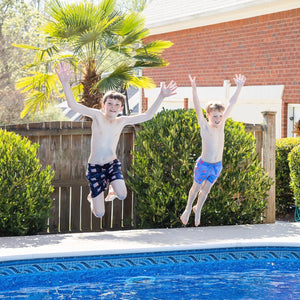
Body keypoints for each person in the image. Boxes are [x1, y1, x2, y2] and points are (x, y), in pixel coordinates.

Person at [55, 62, 177, 218]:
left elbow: (147, 116)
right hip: (95, 168)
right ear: (103, 105)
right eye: (109, 103)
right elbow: (73, 105)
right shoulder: (97, 116)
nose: (113, 107)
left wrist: (161, 96)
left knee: (122, 195)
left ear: (121, 108)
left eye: (117, 105)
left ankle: (112, 188)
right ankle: (92, 198)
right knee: (99, 213)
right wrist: (65, 82)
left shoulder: (122, 121)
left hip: (111, 164)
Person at [180, 73, 246, 227]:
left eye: (220, 116)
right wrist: (194, 88)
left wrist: (239, 87)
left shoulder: (221, 125)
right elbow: (197, 107)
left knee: (206, 190)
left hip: (217, 165)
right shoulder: (204, 126)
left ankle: (198, 209)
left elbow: (232, 103)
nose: (218, 119)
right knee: (196, 188)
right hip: (204, 164)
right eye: (215, 116)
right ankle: (188, 208)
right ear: (208, 115)